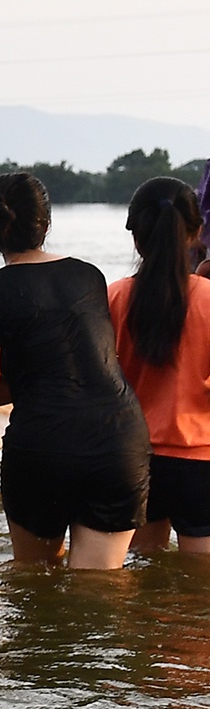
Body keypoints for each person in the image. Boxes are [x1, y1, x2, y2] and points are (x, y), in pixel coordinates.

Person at [0, 171, 149, 570]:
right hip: (117, 442)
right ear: (45, 222)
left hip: (45, 447)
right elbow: (71, 368)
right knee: (100, 588)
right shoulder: (89, 276)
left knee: (35, 580)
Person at [107, 176, 210, 556]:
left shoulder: (113, 297)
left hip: (133, 457)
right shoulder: (209, 299)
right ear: (195, 233)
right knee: (199, 581)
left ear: (136, 237)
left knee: (141, 569)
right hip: (201, 459)